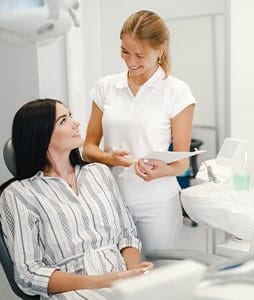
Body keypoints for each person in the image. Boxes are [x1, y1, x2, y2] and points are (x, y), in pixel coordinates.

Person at [0, 99, 153, 299]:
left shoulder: (99, 173)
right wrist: (102, 281)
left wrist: (136, 273)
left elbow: (126, 234)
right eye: (63, 120)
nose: (75, 122)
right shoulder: (19, 194)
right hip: (73, 289)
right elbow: (28, 273)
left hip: (122, 280)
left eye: (70, 115)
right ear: (40, 135)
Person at [83, 10, 196, 253]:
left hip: (157, 205)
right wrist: (109, 158)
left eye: (140, 55)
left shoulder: (177, 92)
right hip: (110, 201)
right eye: (125, 51)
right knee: (117, 277)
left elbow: (182, 164)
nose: (131, 61)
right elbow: (88, 149)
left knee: (157, 276)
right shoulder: (106, 87)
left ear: (161, 49)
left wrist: (162, 170)